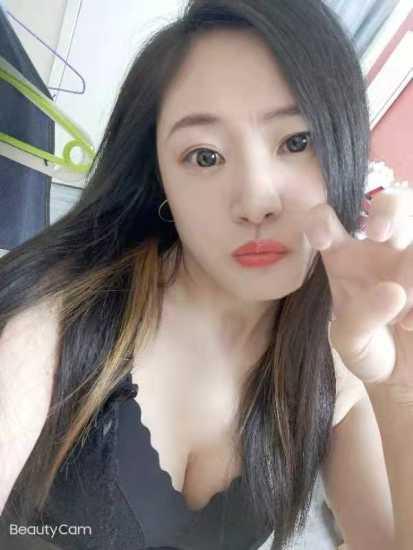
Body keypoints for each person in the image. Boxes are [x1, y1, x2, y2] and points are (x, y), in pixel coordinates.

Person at [0, 1, 412, 549]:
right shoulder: (53, 320)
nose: (256, 200)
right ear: (160, 178)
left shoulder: (337, 369)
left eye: (296, 141)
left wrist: (401, 385)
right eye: (204, 156)